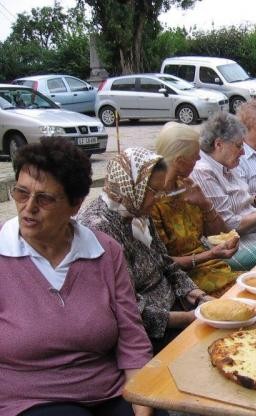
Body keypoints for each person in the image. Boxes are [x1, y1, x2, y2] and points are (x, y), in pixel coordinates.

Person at [1, 139, 155, 416]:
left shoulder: (105, 251)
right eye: (21, 193)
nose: (28, 207)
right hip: (30, 399)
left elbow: (132, 339)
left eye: (45, 198)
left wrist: (141, 405)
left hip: (106, 390)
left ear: (75, 204)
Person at [78, 147, 212, 354]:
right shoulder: (99, 228)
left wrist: (198, 296)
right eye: (154, 191)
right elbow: (129, 310)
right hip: (152, 332)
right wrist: (190, 319)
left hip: (177, 307)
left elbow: (165, 262)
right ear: (130, 186)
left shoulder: (136, 210)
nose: (158, 198)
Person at [190, 112, 256, 270]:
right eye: (239, 146)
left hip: (255, 235)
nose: (243, 152)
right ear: (219, 144)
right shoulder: (204, 171)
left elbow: (236, 201)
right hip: (230, 248)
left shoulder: (225, 162)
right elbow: (228, 226)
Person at [151, 122, 240, 296]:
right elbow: (161, 262)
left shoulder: (186, 186)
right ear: (179, 160)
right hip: (184, 280)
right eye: (195, 155)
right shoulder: (153, 202)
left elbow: (221, 234)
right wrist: (210, 255)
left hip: (213, 269)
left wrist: (205, 204)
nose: (199, 159)